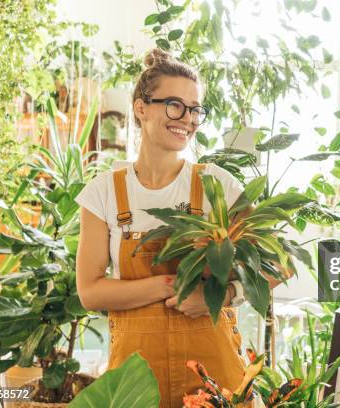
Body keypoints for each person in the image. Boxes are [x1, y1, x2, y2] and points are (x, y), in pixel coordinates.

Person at [75, 49, 292, 408]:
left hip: (214, 375)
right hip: (136, 381)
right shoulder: (104, 192)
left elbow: (279, 264)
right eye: (175, 105)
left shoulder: (215, 185)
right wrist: (168, 285)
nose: (187, 119)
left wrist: (218, 297)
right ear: (141, 107)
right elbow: (90, 292)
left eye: (195, 109)